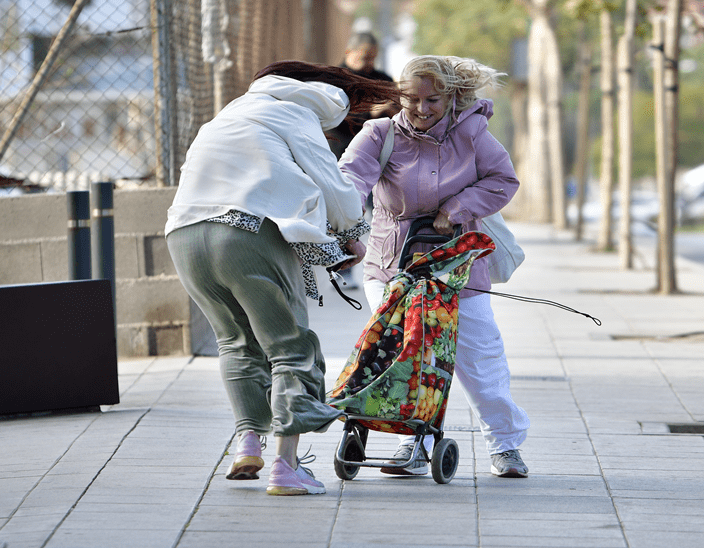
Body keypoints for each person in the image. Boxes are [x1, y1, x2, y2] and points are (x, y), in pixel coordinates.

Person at [165, 60, 403, 495]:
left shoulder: (229, 113)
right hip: (245, 233)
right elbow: (332, 186)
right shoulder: (298, 112)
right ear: (329, 97)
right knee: (290, 347)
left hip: (183, 234)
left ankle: (247, 443)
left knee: (235, 343)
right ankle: (286, 468)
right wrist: (353, 235)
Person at [338, 55, 531, 478]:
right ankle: (416, 439)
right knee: (410, 354)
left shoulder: (472, 133)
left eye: (433, 100)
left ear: (451, 96)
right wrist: (344, 219)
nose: (422, 109)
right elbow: (349, 179)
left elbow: (503, 180)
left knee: (480, 359)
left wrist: (459, 207)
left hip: (457, 265)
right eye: (412, 100)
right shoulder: (380, 134)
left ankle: (505, 443)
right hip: (392, 264)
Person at [326, 31, 400, 289]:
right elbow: (335, 117)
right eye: (364, 57)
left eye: (372, 58)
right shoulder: (334, 79)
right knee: (345, 211)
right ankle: (342, 268)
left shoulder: (382, 79)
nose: (369, 63)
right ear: (349, 53)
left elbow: (400, 110)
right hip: (343, 152)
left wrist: (391, 110)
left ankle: (389, 266)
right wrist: (371, 112)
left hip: (379, 156)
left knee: (384, 209)